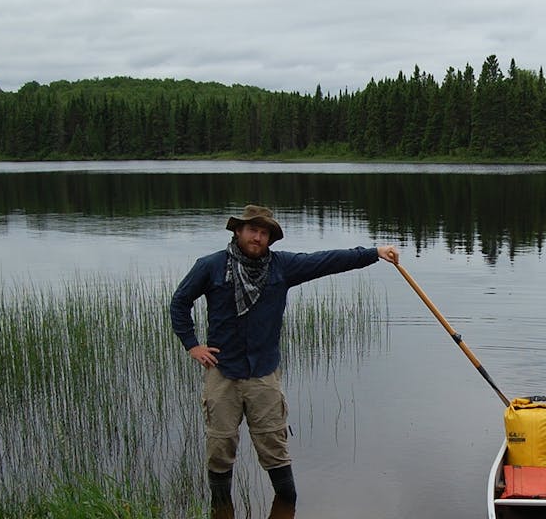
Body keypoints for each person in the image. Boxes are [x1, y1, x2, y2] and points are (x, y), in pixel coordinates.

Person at [170, 204, 400, 503]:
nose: (258, 237)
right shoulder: (210, 266)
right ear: (238, 231)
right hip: (222, 372)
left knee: (275, 449)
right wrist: (192, 344)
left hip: (264, 375)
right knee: (220, 448)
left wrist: (374, 252)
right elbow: (179, 303)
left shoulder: (281, 267)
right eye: (252, 230)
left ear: (270, 239)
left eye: (264, 233)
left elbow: (326, 261)